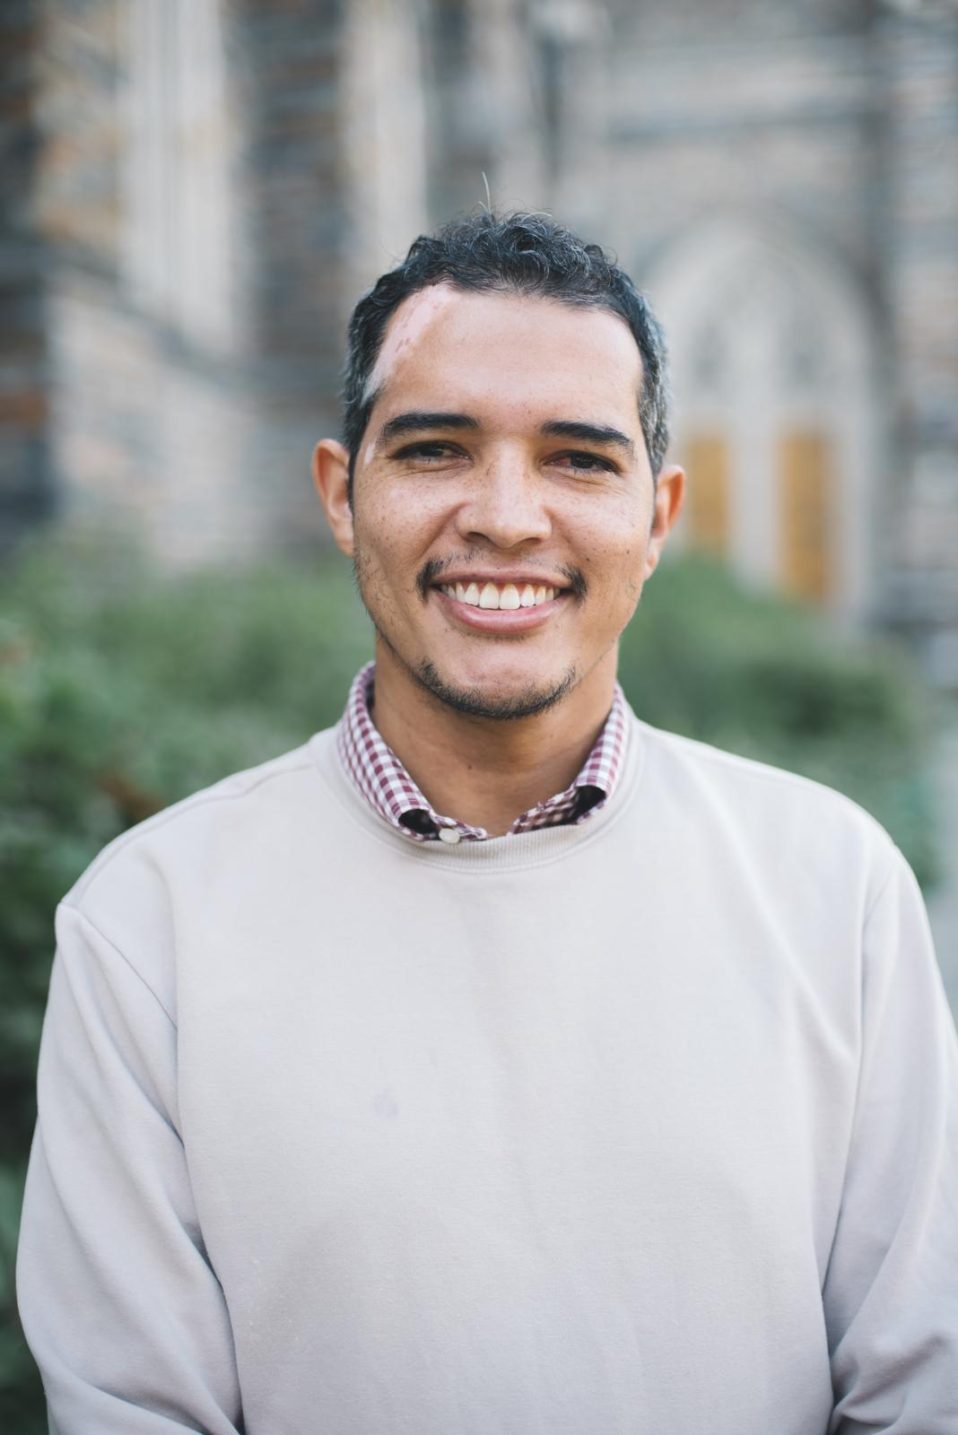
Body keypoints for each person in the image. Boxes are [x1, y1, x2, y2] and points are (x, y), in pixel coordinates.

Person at [17, 211, 958, 1434]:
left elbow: (923, 1383)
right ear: (341, 494)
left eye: (577, 459)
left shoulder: (835, 888)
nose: (507, 516)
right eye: (435, 449)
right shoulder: (148, 926)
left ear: (658, 516)